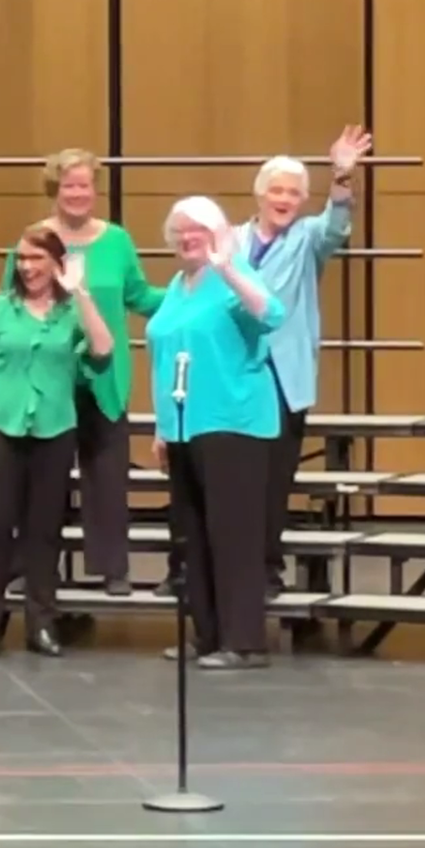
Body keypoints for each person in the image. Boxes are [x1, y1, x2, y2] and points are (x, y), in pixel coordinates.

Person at [3, 151, 164, 595]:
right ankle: (33, 568)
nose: (77, 193)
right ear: (55, 189)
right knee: (39, 482)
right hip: (45, 377)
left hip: (103, 375)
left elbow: (139, 295)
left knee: (108, 477)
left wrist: (194, 289)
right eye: (68, 185)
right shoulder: (33, 239)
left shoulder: (117, 240)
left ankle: (113, 569)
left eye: (84, 185)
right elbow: (10, 302)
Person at [0, 225, 115, 657]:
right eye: (22, 259)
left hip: (54, 429)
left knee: (43, 532)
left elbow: (103, 350)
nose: (27, 267)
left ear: (56, 263)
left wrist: (81, 293)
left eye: (36, 259)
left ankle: (41, 623)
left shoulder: (72, 313)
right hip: (2, 427)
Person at [147, 196, 285, 671]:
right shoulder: (176, 286)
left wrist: (228, 271)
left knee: (234, 535)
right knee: (194, 535)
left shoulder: (235, 274)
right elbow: (165, 355)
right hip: (187, 425)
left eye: (198, 230)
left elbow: (271, 315)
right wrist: (163, 427)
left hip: (233, 423)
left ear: (218, 235)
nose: (188, 239)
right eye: (181, 231)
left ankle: (244, 641)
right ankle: (207, 634)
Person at [239, 126, 368, 595]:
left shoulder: (308, 237)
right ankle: (226, 567)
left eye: (294, 192)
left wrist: (342, 174)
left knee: (274, 483)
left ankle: (267, 569)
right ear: (259, 195)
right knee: (236, 482)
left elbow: (336, 225)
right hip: (233, 377)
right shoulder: (229, 240)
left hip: (282, 378)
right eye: (276, 189)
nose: (285, 199)